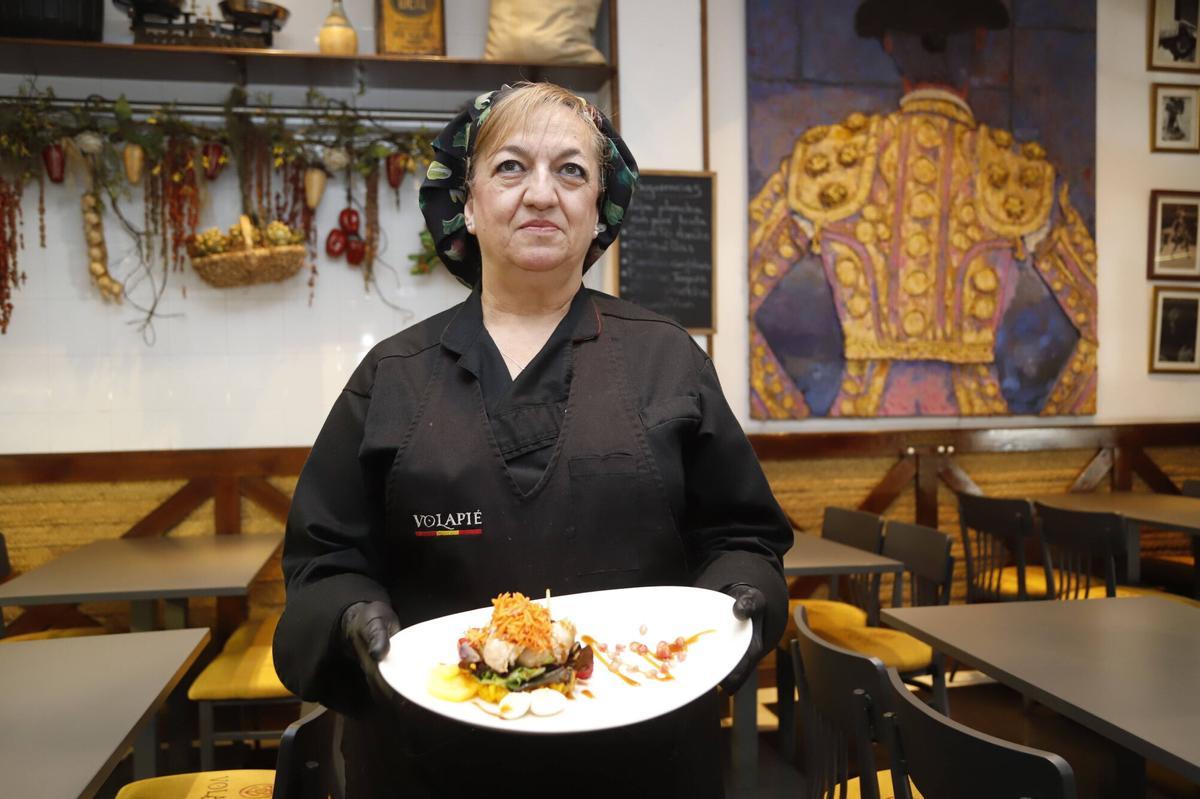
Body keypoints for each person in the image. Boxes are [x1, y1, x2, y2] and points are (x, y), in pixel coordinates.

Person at [273, 82, 792, 797]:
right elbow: (324, 560)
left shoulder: (668, 360)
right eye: (511, 167)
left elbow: (742, 535)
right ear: (468, 202)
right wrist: (350, 614)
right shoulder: (391, 377)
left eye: (571, 170)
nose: (542, 193)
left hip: (644, 762)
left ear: (598, 209)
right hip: (430, 764)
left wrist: (740, 597)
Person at [749, 0, 1098, 419]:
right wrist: (1056, 423)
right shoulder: (1019, 175)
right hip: (978, 427)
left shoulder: (833, 162)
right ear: (979, 43)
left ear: (891, 45)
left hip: (856, 422)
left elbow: (731, 309)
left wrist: (788, 418)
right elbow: (1103, 326)